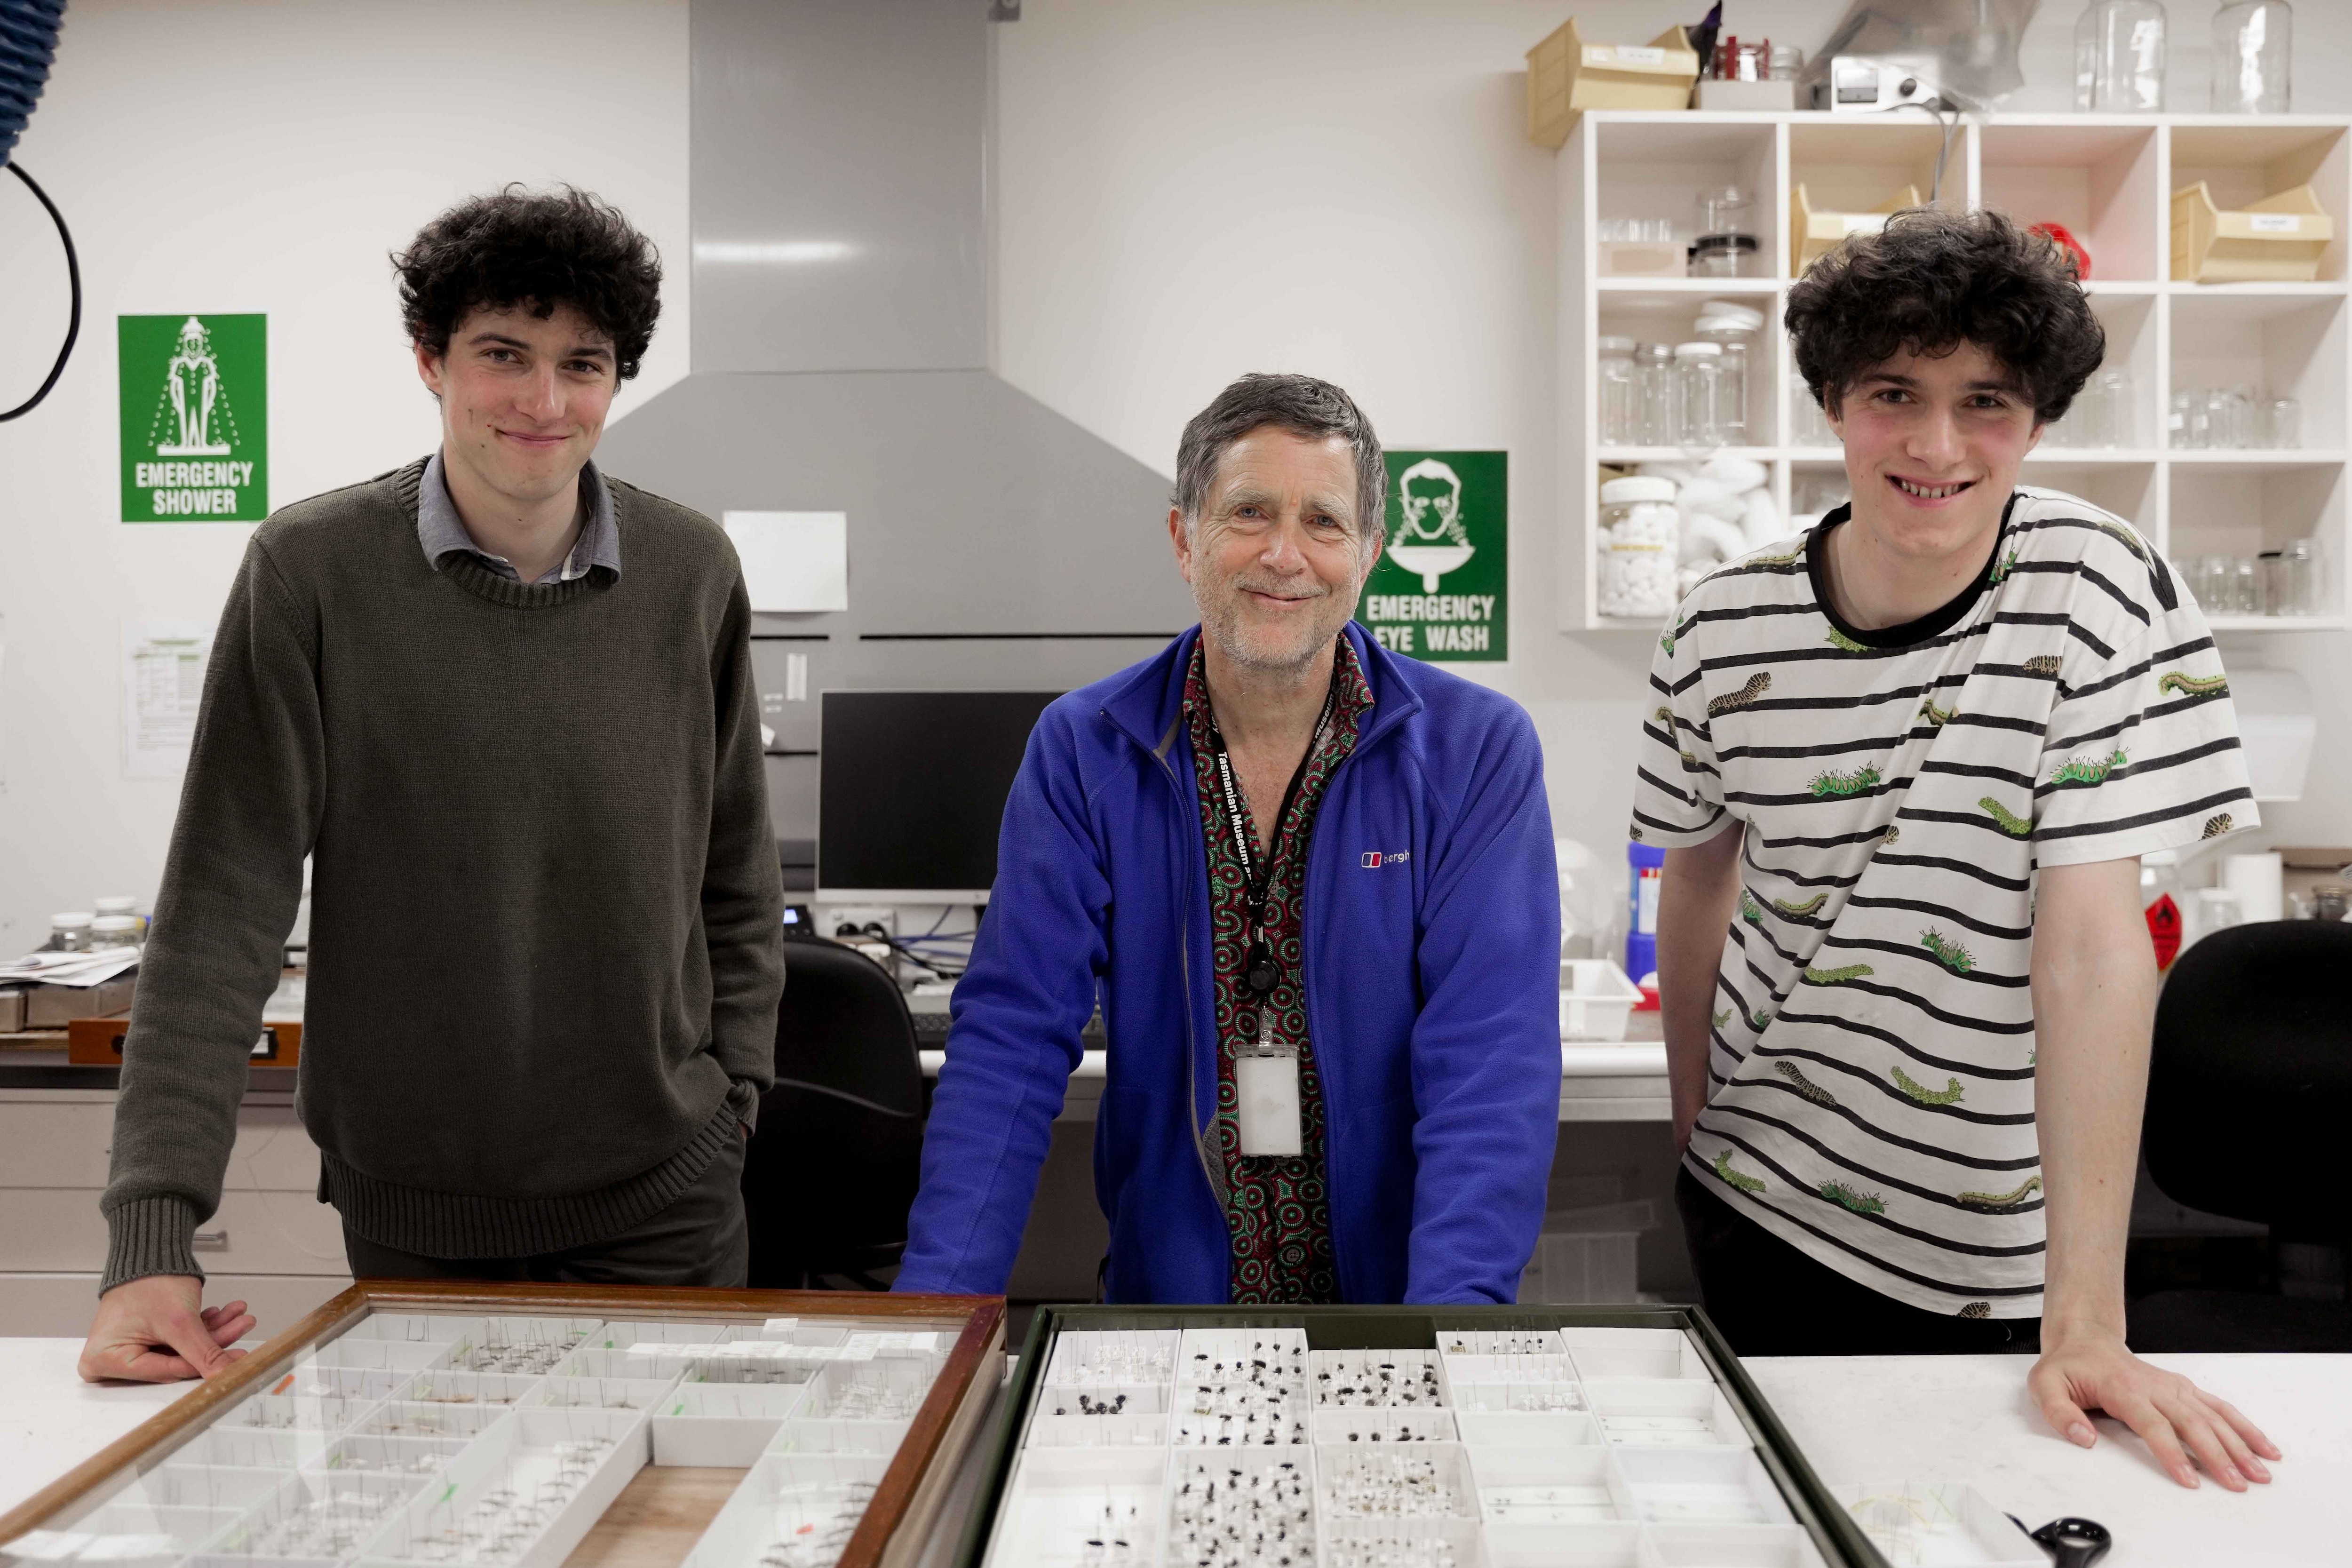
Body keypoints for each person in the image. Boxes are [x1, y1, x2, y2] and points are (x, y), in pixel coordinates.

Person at [80, 186, 785, 1383]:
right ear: (431, 360)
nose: (544, 401)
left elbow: (735, 872)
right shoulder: (310, 574)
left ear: (617, 382)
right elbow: (220, 911)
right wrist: (152, 1237)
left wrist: (738, 1096)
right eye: (503, 354)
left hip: (668, 1207)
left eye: (584, 363)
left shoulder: (691, 572)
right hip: (416, 1223)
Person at [1636, 208, 2280, 1489]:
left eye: (1986, 399)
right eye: (1894, 393)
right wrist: (1695, 1117)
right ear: (1834, 403)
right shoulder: (1718, 628)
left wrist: (2086, 1314)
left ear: (2038, 417)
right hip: (1763, 1199)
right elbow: (1697, 874)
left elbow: (2095, 939)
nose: (1935, 444)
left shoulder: (2096, 587)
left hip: (2007, 1244)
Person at [894, 374, 1560, 1305]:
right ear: (1184, 537)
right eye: (1248, 511)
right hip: (1168, 1316)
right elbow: (1009, 1043)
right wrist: (934, 1319)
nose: (1283, 554)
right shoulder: (1087, 748)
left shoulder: (1473, 752)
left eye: (1322, 522)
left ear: (1368, 551)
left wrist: (1440, 1342)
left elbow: (1489, 1073)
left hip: (1400, 1308)